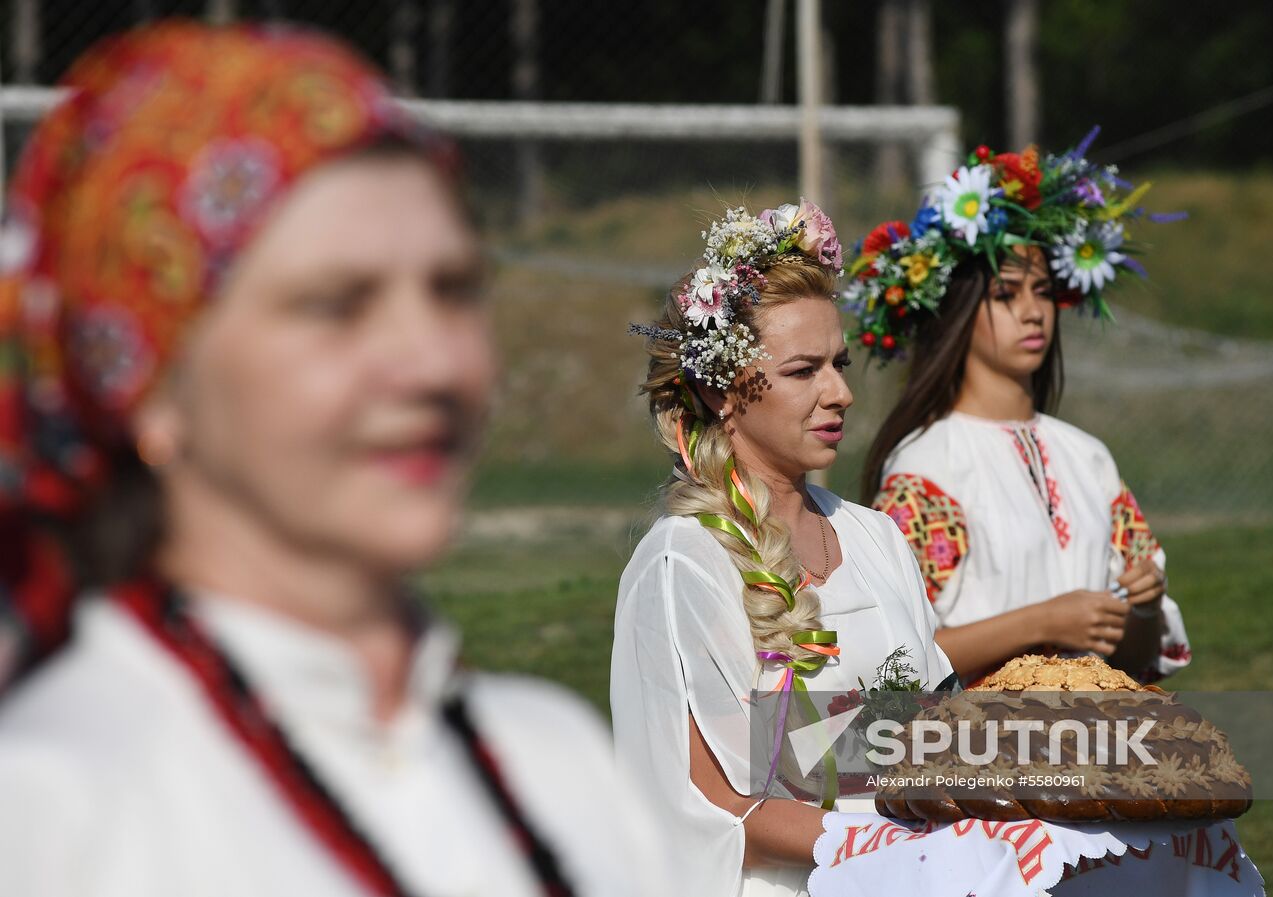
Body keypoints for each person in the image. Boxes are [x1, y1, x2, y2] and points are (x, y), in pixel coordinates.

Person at [0, 22, 659, 897]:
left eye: (453, 289)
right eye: (335, 306)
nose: (430, 361)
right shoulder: (60, 802)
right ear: (154, 390)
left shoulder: (555, 757)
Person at [613, 200, 957, 897]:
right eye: (805, 370)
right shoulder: (686, 562)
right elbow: (711, 803)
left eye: (840, 363)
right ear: (722, 391)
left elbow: (930, 728)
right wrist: (886, 841)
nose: (842, 393)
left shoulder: (876, 537)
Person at [847, 132, 1192, 686]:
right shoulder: (928, 465)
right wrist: (1043, 622)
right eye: (1006, 294)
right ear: (956, 311)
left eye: (1043, 289)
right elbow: (897, 659)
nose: (1033, 312)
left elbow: (1137, 662)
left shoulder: (1088, 457)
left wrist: (1145, 609)